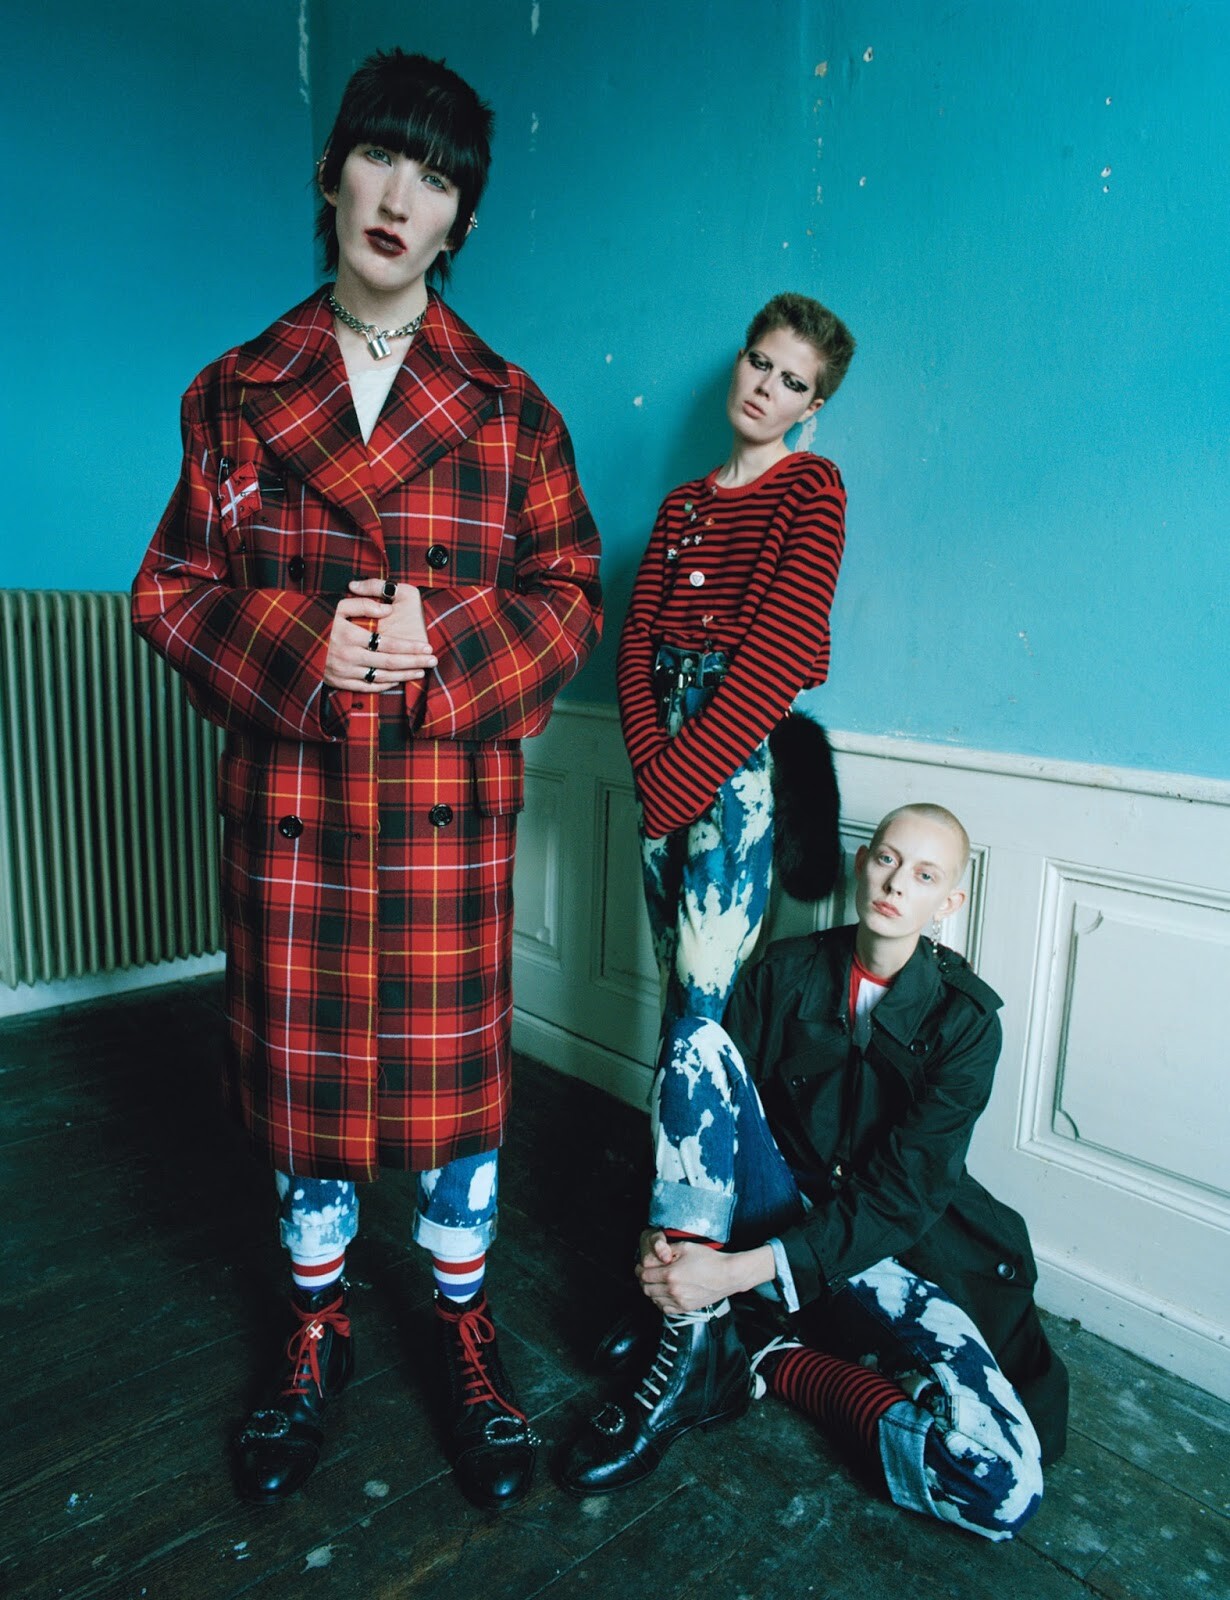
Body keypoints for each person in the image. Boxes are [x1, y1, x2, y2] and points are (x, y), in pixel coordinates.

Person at [132, 49, 601, 1512]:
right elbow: (170, 591)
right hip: (296, 819)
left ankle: (463, 1332)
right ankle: (315, 1328)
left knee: (458, 1110)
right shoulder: (233, 392)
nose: (400, 195)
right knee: (308, 1104)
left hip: (446, 820)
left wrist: (441, 643)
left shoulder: (513, 408)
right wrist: (302, 643)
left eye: (436, 176)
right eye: (380, 158)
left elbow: (570, 597)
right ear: (331, 174)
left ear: (463, 219)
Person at [558, 805, 1069, 1541]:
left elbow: (902, 1197)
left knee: (1000, 1487)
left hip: (886, 1247)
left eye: (925, 875)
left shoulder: (966, 1023)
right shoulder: (786, 971)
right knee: (696, 1039)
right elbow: (709, 1119)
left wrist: (735, 1273)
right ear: (863, 863)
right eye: (887, 859)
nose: (897, 884)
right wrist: (659, 1229)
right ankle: (694, 1346)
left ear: (948, 902)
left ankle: (762, 1352)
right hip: (775, 1202)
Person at [616, 293, 853, 1033]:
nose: (765, 386)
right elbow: (636, 639)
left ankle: (702, 1117)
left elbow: (783, 648)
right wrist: (654, 768)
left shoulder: (812, 487)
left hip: (737, 744)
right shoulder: (681, 505)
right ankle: (674, 1115)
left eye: (792, 380)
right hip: (660, 744)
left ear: (811, 406)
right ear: (739, 363)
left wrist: (680, 780)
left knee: (705, 986)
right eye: (759, 362)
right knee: (670, 970)